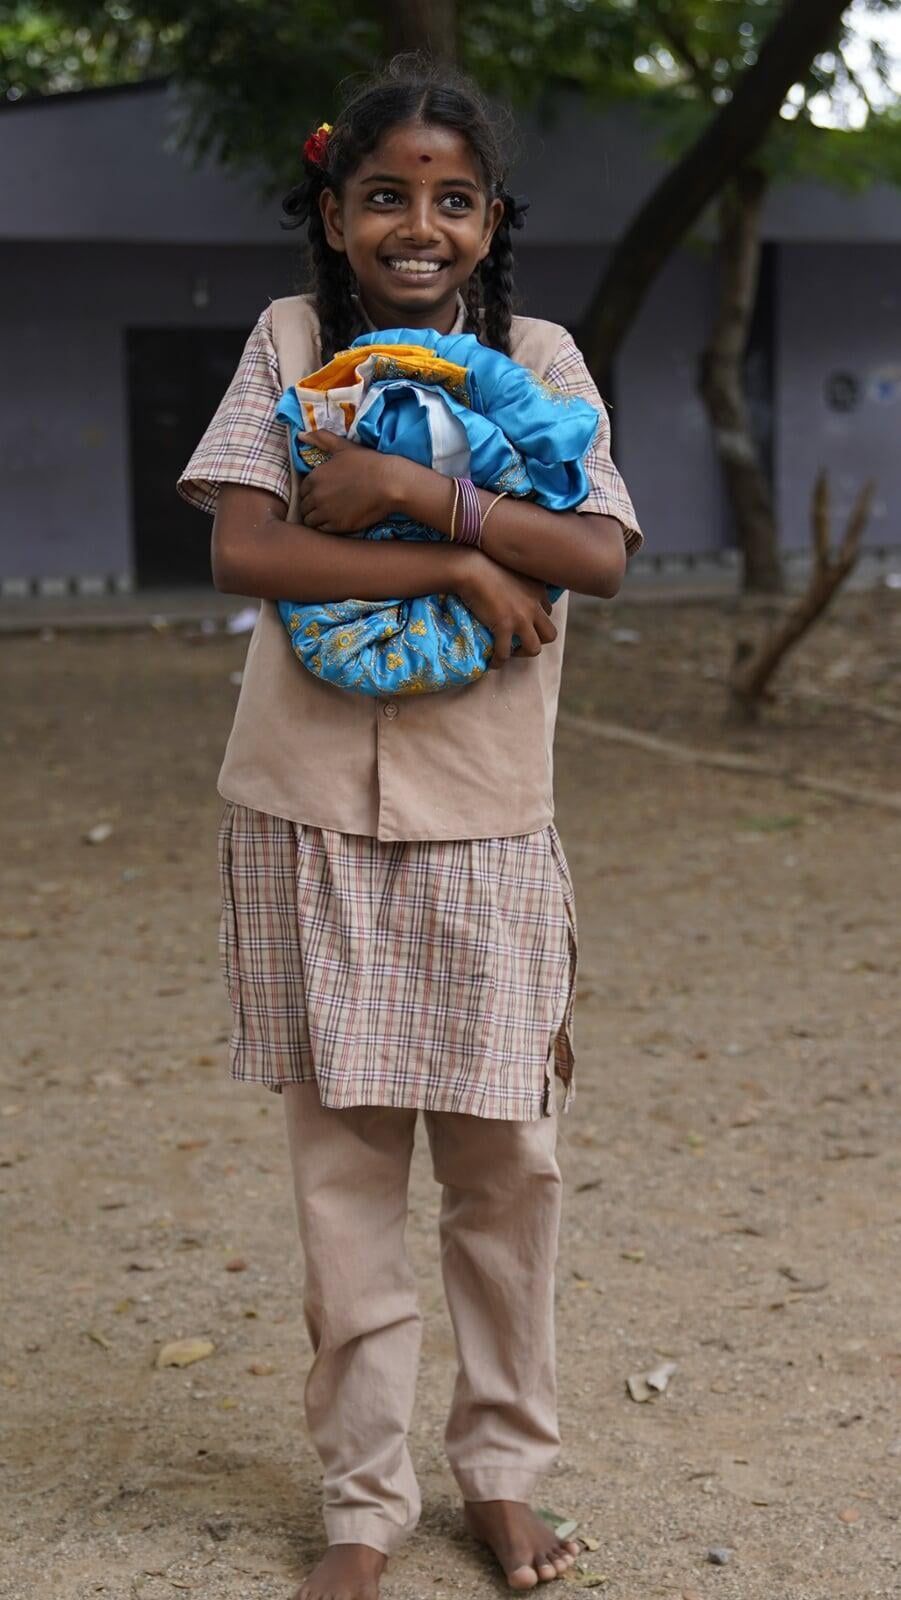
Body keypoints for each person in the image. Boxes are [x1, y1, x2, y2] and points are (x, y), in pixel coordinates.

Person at [178, 54, 642, 1600]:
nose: (418, 226)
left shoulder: (544, 356)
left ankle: (504, 1474)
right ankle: (362, 1509)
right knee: (345, 1176)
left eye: (451, 200)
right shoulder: (290, 343)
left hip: (484, 826)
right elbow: (250, 548)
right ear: (335, 209)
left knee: (509, 1166)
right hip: (305, 815)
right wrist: (450, 574)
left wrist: (414, 497)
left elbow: (594, 552)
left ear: (490, 217)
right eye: (386, 196)